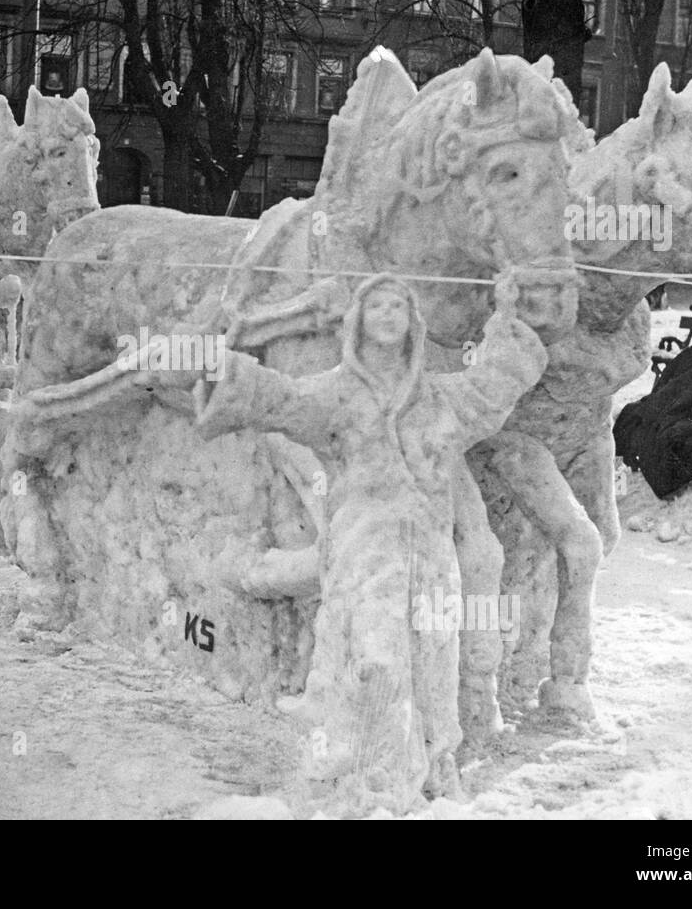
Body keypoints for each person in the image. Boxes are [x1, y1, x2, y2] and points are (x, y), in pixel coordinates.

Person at [193, 272, 548, 812]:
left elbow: (494, 384)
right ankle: (369, 777)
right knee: (375, 661)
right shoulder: (336, 394)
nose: (387, 315)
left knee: (433, 664)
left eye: (397, 307)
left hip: (430, 560)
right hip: (365, 557)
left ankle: (433, 767)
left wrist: (510, 317)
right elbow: (283, 399)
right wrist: (225, 374)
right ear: (358, 321)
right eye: (376, 305)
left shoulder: (441, 398)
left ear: (413, 323)